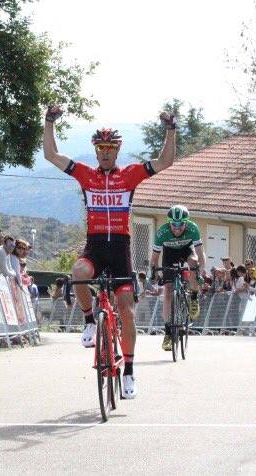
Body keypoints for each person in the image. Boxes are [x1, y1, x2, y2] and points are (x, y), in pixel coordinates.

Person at [43, 104, 175, 399]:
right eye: (100, 147)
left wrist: (170, 130)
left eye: (110, 147)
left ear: (117, 150)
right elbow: (51, 155)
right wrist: (49, 121)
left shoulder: (129, 175)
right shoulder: (86, 175)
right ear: (95, 150)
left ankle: (128, 370)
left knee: (126, 310)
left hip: (120, 248)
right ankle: (90, 320)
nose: (104, 152)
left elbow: (165, 161)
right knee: (78, 273)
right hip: (95, 244)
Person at [149, 205, 207, 351]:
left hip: (186, 250)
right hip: (169, 255)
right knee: (168, 292)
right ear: (169, 223)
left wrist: (202, 269)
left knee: (194, 263)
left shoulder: (193, 229)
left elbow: (200, 253)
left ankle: (193, 297)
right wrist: (154, 273)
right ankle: (168, 333)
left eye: (181, 224)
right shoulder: (162, 232)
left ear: (186, 223)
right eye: (174, 224)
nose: (177, 228)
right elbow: (154, 258)